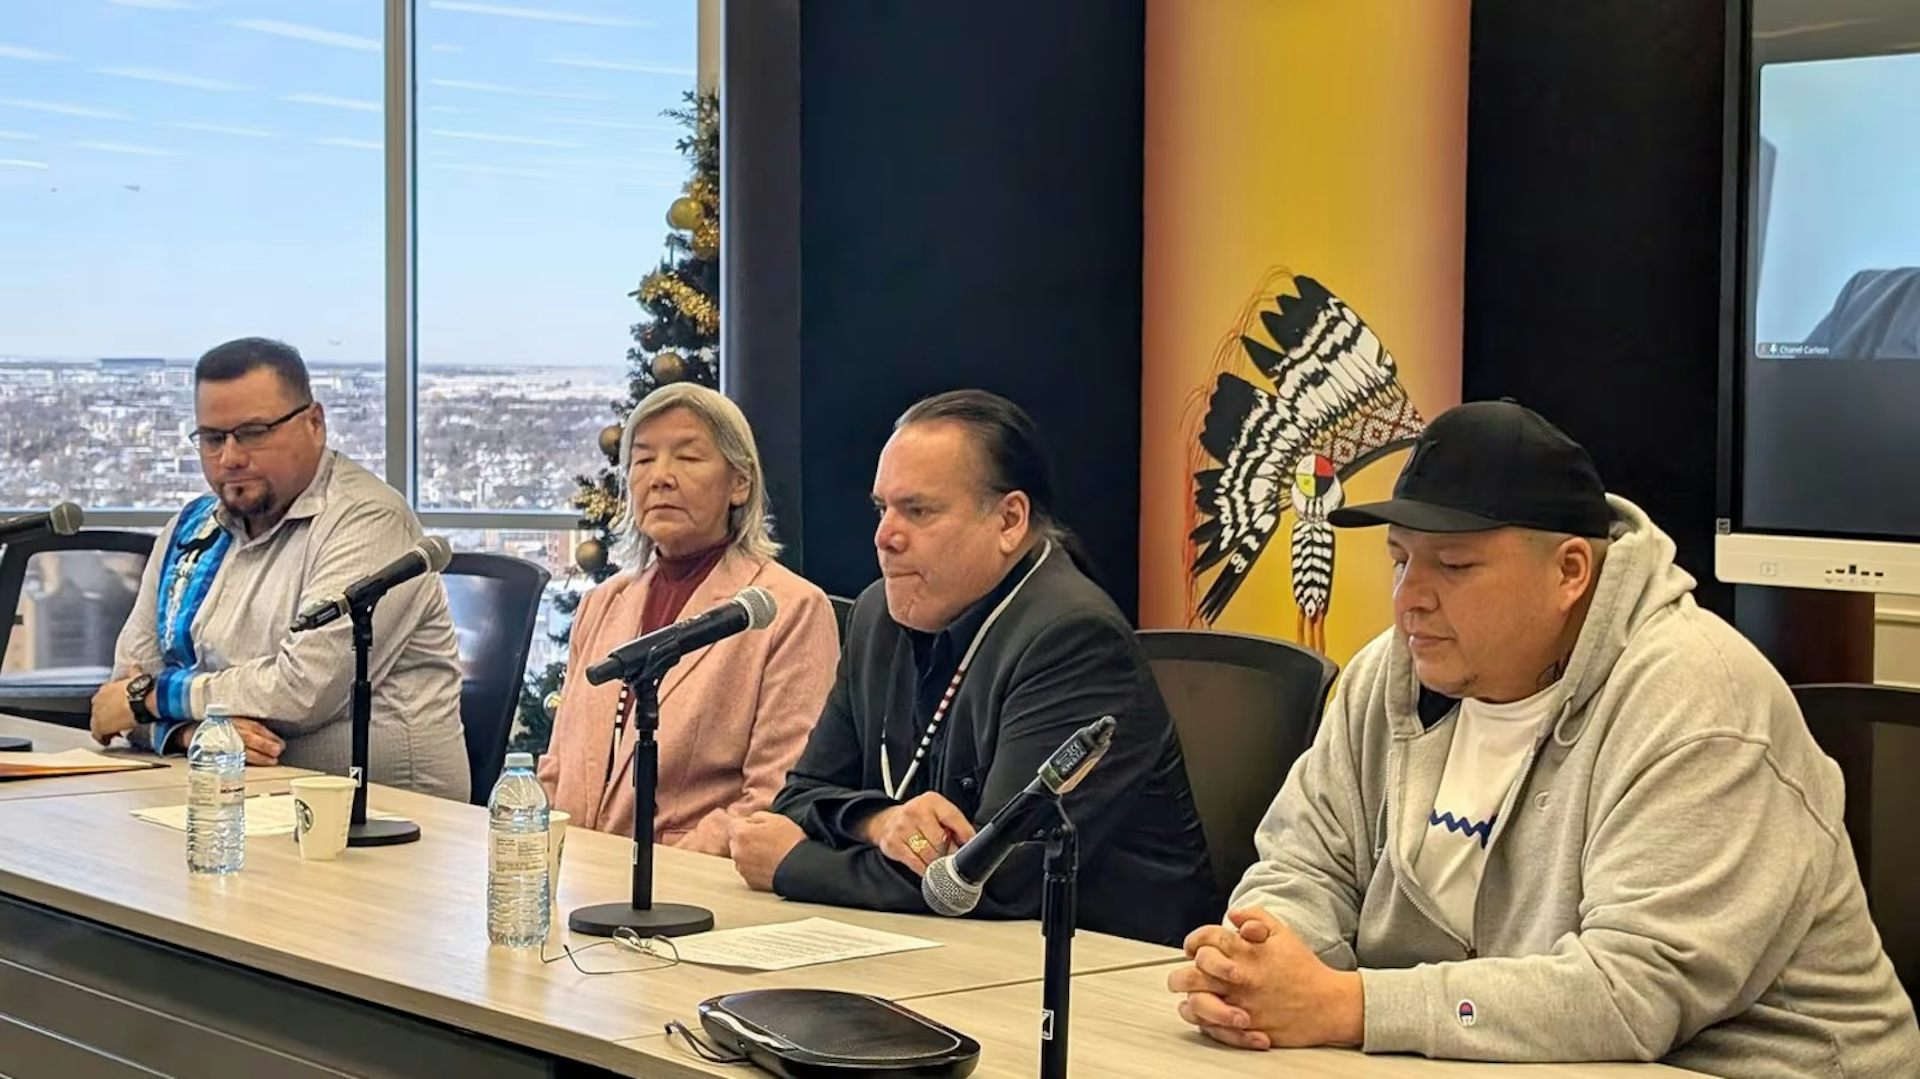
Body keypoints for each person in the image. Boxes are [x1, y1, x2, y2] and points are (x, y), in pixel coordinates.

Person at [1164, 401, 1920, 1075]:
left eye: (1453, 565)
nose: (1409, 600)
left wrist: (1352, 1006)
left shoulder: (1697, 698)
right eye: (1400, 560)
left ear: (1569, 572)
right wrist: (1260, 964)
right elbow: (1305, 863)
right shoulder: (1387, 676)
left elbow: (1630, 992)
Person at [728, 390, 1219, 946]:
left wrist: (797, 865)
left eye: (918, 511)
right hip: (937, 946)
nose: (885, 536)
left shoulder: (1075, 639)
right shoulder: (877, 615)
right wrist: (879, 823)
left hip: (1102, 967)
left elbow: (996, 874)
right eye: (882, 509)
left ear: (1009, 520)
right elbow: (801, 797)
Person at [90, 338, 469, 800]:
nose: (230, 457)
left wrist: (153, 698)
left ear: (315, 423)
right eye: (212, 438)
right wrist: (187, 734)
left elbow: (300, 692)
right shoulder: (192, 528)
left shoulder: (369, 520)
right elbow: (120, 695)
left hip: (383, 814)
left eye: (252, 433)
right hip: (227, 799)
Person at [538, 383, 837, 855]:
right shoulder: (602, 603)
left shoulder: (790, 608)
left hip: (693, 883)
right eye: (642, 459)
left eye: (688, 457)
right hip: (579, 873)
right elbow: (558, 767)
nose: (660, 477)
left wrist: (660, 871)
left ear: (740, 483)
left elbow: (775, 795)